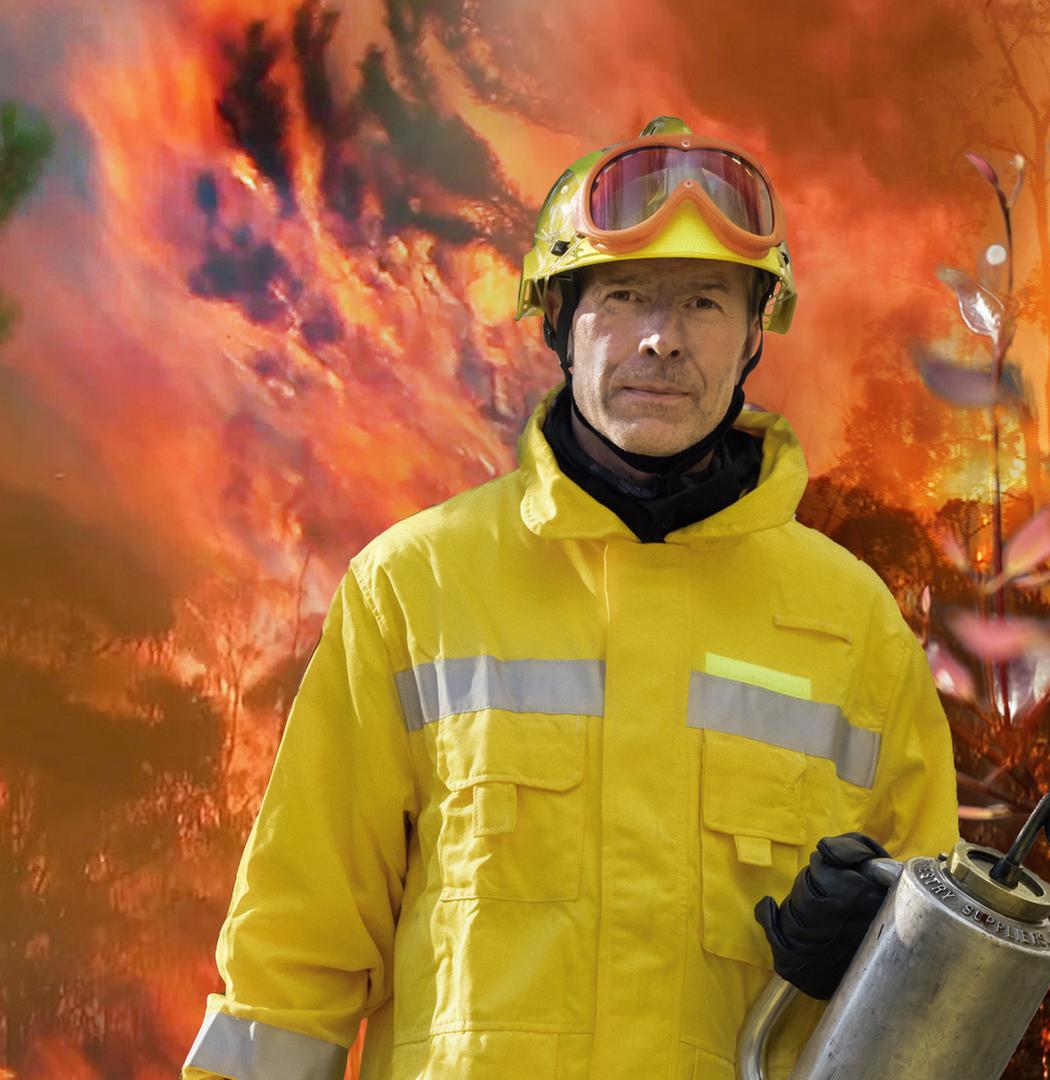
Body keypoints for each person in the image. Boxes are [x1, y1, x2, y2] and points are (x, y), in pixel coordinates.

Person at [181, 116, 959, 1080]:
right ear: (558, 320)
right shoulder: (414, 587)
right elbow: (290, 962)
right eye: (623, 296)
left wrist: (873, 953)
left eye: (705, 303)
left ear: (757, 332)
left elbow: (937, 1007)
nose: (661, 341)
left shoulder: (854, 627)